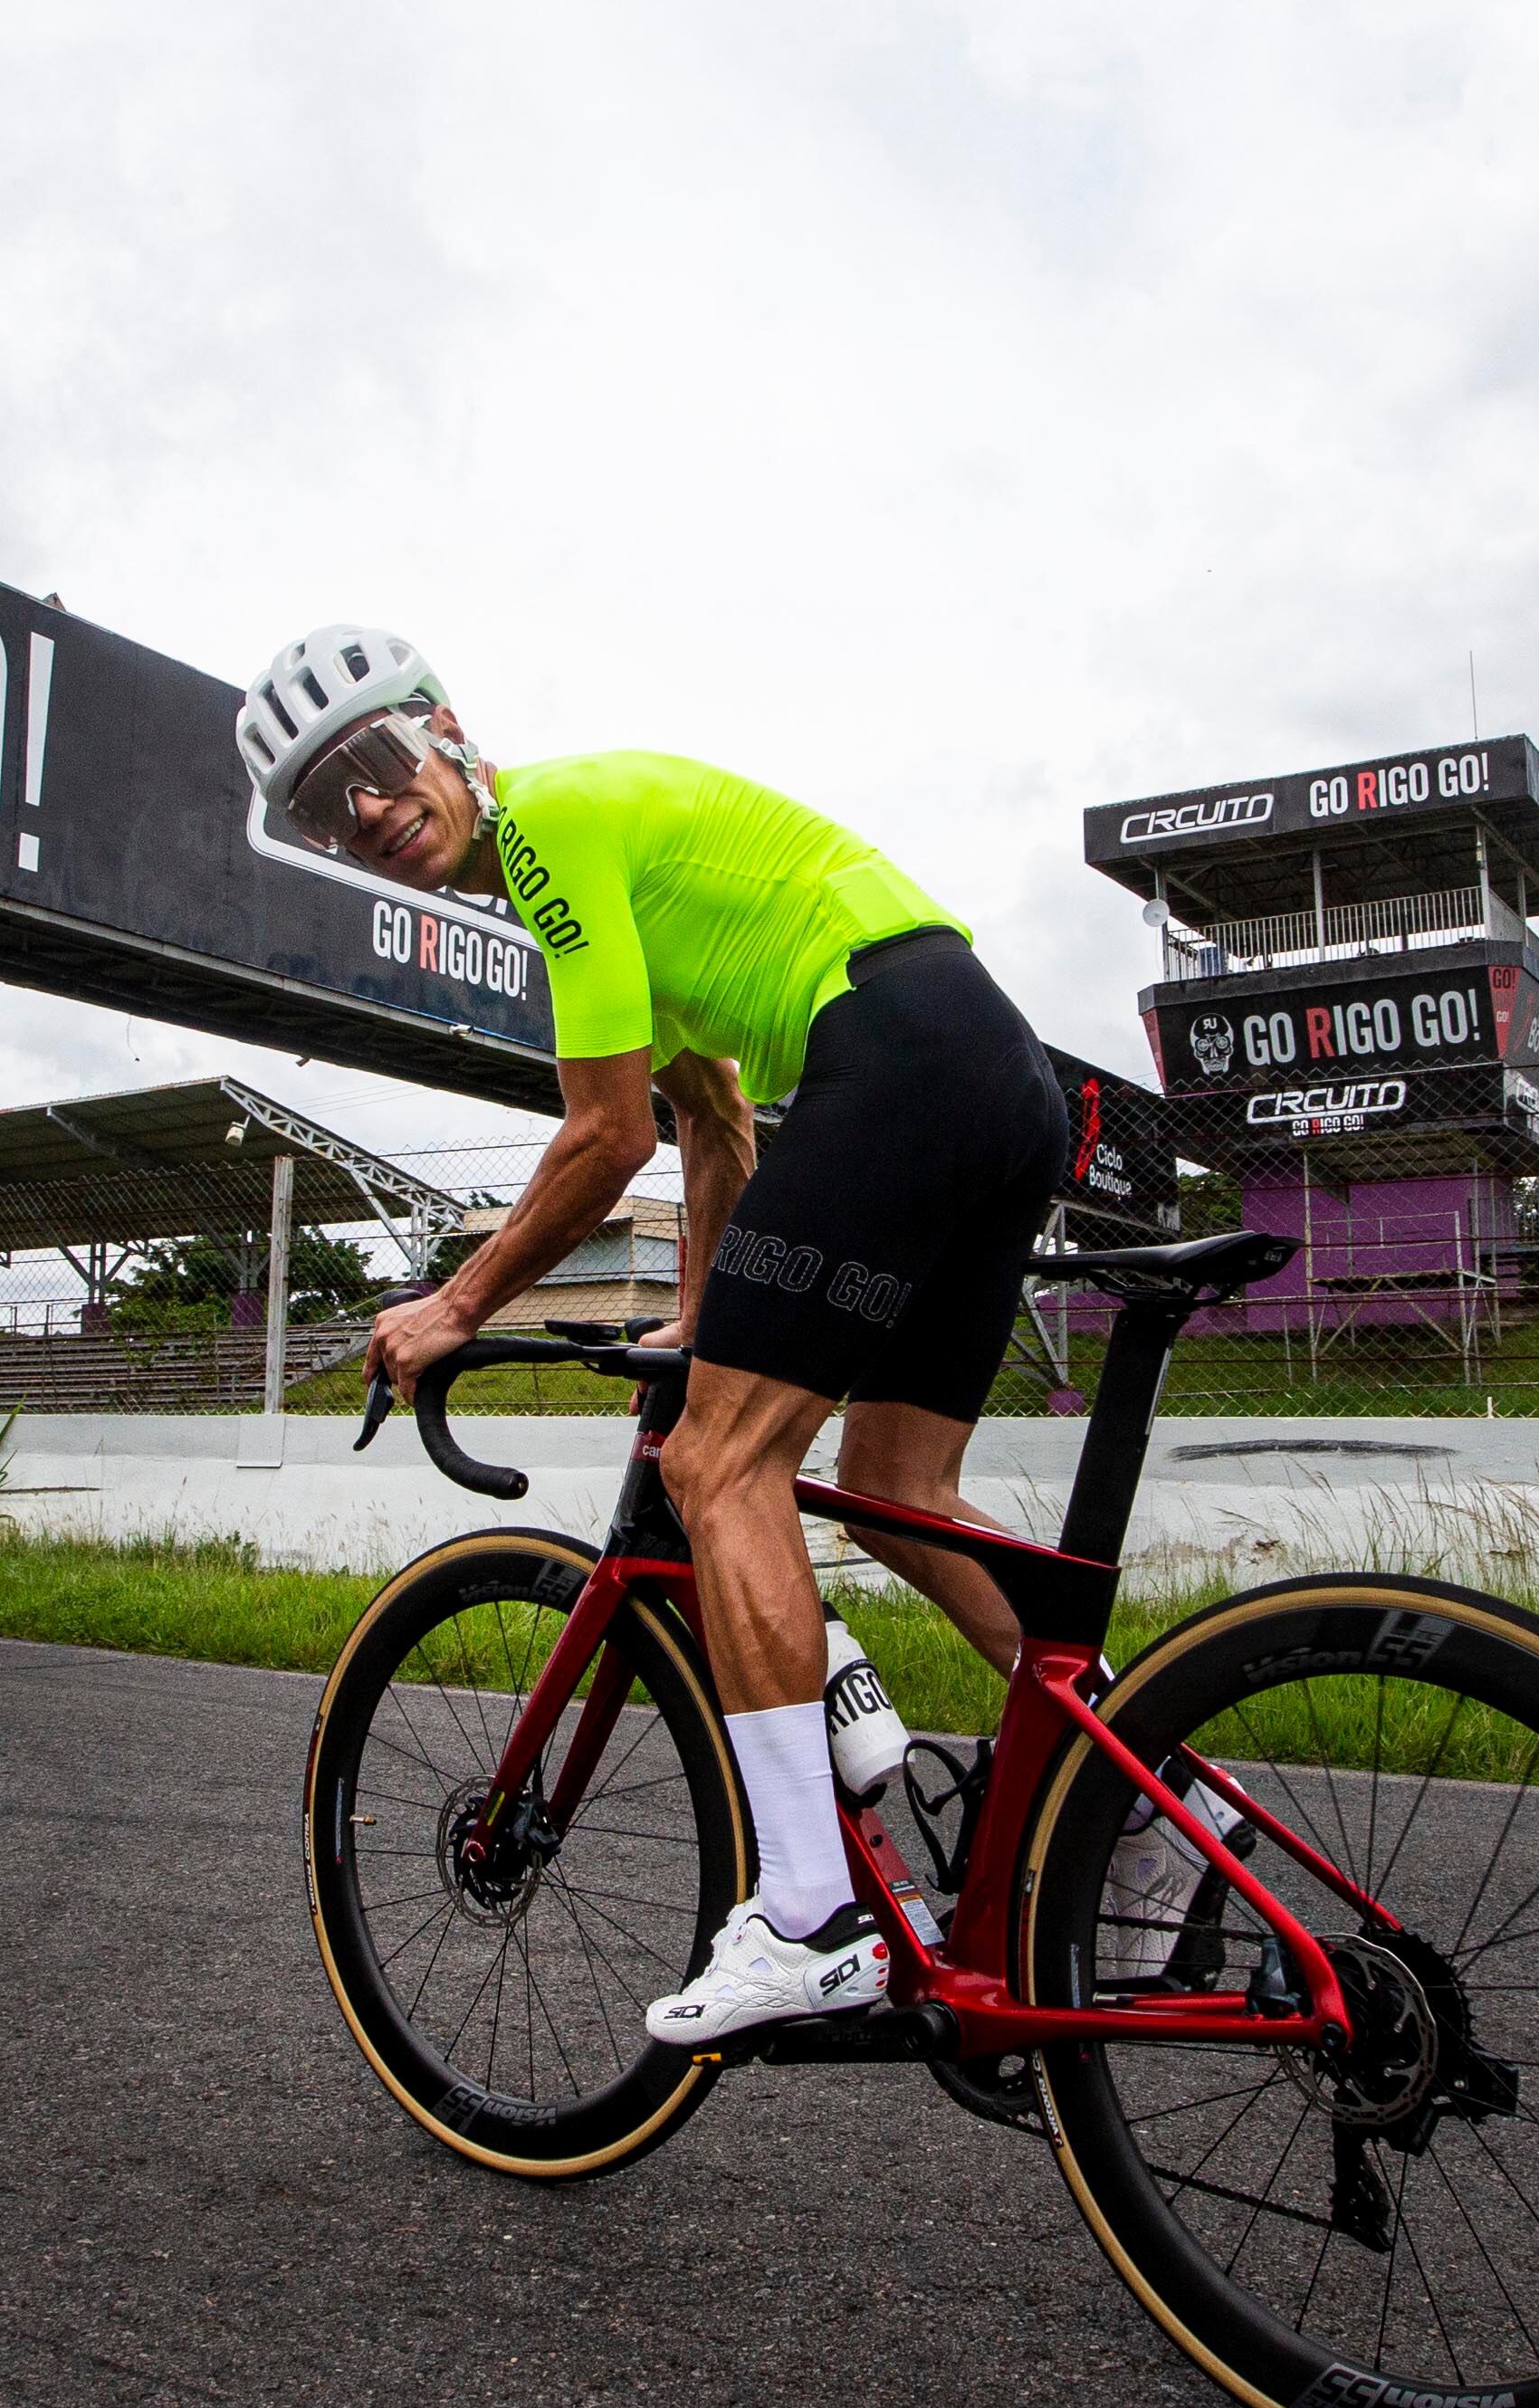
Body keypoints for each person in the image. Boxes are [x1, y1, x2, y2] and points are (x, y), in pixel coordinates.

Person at [239, 623, 1114, 2043]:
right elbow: (706, 1116)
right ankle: (1150, 1804)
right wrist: (705, 1323)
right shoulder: (597, 872)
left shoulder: (547, 833)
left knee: (717, 1466)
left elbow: (605, 1138)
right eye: (326, 812)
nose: (370, 812)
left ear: (445, 731)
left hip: (891, 1048)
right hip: (987, 1070)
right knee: (894, 1486)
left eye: (375, 764)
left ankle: (809, 1916)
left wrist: (453, 1305)